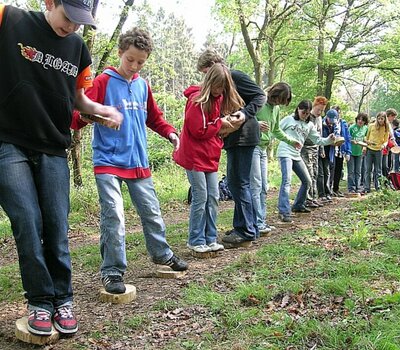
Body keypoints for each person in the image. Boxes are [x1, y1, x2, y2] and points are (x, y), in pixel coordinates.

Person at [0, 0, 123, 336]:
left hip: (54, 146)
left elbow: (80, 100)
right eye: (68, 17)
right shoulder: (9, 18)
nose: (72, 27)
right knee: (27, 220)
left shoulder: (77, 48)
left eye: (80, 22)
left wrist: (103, 111)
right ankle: (40, 301)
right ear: (49, 2)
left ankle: (62, 299)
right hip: (8, 142)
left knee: (56, 224)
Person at [72, 27, 188, 294]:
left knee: (152, 211)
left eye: (140, 62)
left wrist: (170, 133)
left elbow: (154, 118)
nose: (134, 66)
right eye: (130, 60)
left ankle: (162, 255)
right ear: (120, 52)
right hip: (108, 162)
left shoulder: (142, 85)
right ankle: (112, 271)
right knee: (114, 216)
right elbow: (77, 116)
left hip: (138, 162)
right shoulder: (102, 81)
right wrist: (91, 117)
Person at [197, 49, 266, 246]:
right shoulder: (223, 83)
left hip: (244, 136)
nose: (206, 78)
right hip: (233, 137)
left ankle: (245, 230)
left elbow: (260, 96)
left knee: (239, 183)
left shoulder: (234, 76)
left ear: (215, 65)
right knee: (237, 183)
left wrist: (244, 113)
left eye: (206, 72)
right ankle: (246, 226)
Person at [173, 63, 244, 253]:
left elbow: (215, 129)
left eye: (223, 87)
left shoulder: (219, 98)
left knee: (213, 196)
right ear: (209, 82)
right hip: (194, 157)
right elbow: (198, 130)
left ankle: (210, 238)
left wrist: (226, 123)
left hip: (210, 156)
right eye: (217, 86)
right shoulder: (196, 100)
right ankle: (196, 239)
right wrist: (220, 123)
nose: (219, 91)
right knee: (200, 197)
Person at [250, 82, 300, 235]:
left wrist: (291, 141)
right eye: (279, 100)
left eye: (282, 102)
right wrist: (256, 124)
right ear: (275, 94)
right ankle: (256, 223)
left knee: (264, 187)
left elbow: (276, 130)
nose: (279, 103)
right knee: (256, 186)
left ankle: (261, 221)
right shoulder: (259, 101)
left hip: (264, 149)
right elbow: (244, 117)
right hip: (253, 147)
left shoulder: (276, 109)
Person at [277, 101, 334, 223]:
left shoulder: (309, 125)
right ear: (298, 109)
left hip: (296, 155)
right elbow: (276, 130)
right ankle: (284, 211)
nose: (305, 115)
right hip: (285, 152)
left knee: (307, 180)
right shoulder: (288, 119)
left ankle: (298, 205)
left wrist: (329, 140)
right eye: (303, 112)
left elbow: (318, 140)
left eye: (308, 114)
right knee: (286, 181)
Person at [301, 96, 328, 208]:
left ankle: (314, 197)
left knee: (315, 173)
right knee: (309, 173)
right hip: (306, 148)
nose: (320, 112)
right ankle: (307, 198)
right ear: (314, 106)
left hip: (316, 148)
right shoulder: (308, 117)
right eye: (318, 110)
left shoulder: (319, 119)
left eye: (322, 111)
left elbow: (319, 135)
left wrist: (321, 148)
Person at [364, 111, 391, 193]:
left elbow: (386, 140)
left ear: (384, 119)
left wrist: (384, 145)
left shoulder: (386, 128)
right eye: (378, 118)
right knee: (368, 169)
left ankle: (378, 187)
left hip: (379, 150)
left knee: (378, 170)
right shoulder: (371, 126)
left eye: (382, 119)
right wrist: (366, 143)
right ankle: (367, 188)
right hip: (369, 149)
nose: (380, 120)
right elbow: (365, 137)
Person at [329, 105, 351, 197]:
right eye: (335, 112)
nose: (337, 114)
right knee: (331, 170)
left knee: (339, 169)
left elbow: (347, 137)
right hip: (332, 149)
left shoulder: (343, 123)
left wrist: (348, 151)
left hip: (340, 150)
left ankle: (336, 188)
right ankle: (328, 188)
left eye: (338, 112)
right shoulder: (330, 123)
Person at [347, 113, 369, 193]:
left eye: (362, 120)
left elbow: (366, 138)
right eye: (359, 119)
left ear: (365, 122)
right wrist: (352, 141)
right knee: (351, 171)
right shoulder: (352, 127)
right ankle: (351, 188)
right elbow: (347, 138)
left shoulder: (365, 128)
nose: (360, 121)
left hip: (360, 152)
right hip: (351, 151)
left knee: (358, 171)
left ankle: (358, 187)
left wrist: (365, 145)